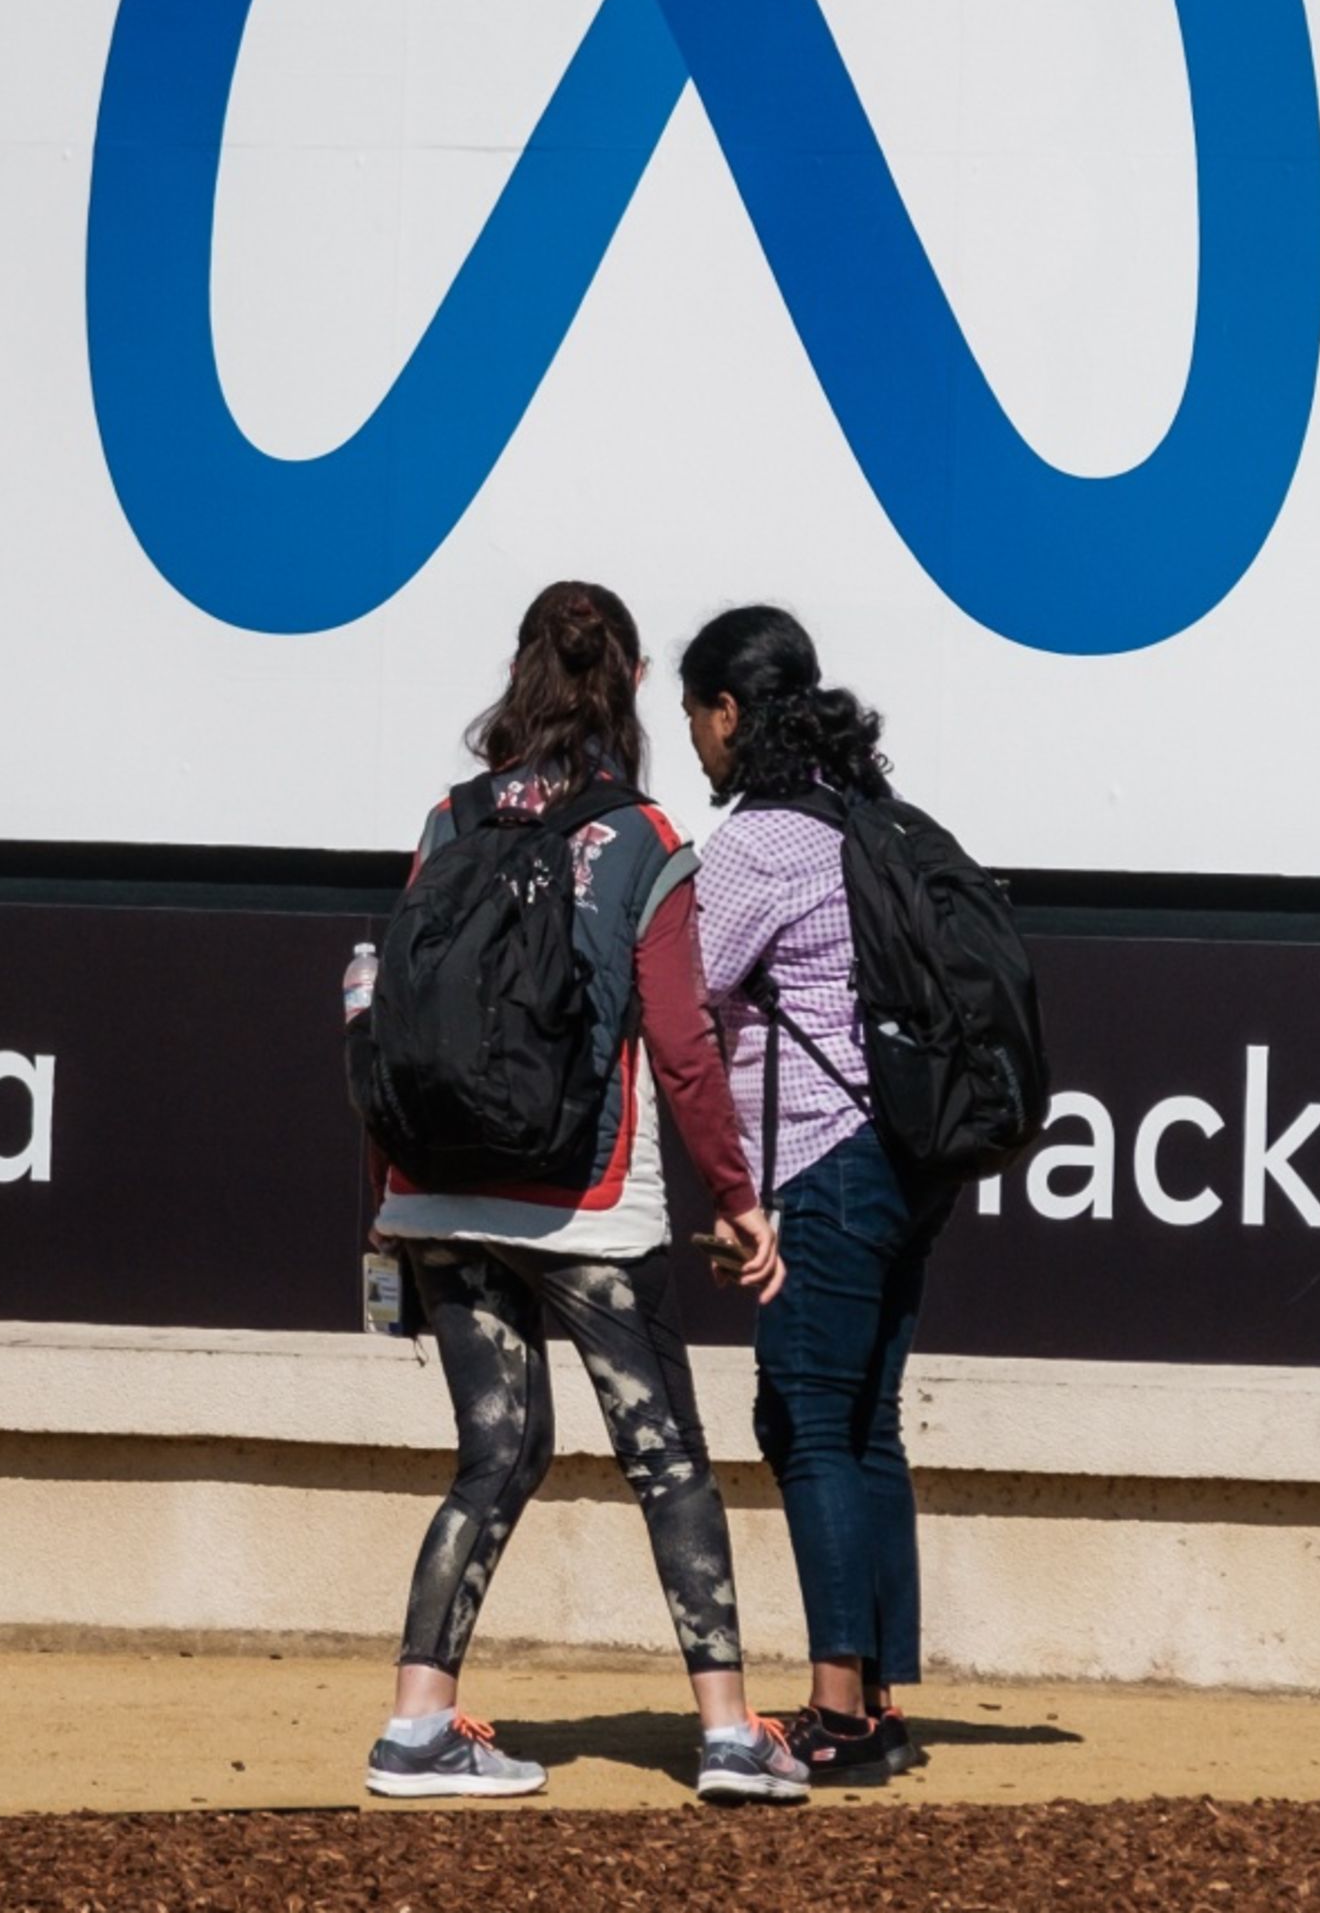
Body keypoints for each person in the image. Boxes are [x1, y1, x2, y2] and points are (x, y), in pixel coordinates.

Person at [363, 579, 806, 1807]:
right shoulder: (645, 838)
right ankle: (728, 1733)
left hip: (438, 1191)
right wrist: (738, 1195)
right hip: (588, 1199)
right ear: (624, 687)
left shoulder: (448, 822)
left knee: (494, 1452)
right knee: (664, 1455)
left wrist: (384, 1200)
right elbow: (681, 1043)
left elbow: (392, 1018)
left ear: (520, 677)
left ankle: (416, 1727)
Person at [678, 601, 942, 1787]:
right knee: (866, 1418)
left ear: (729, 711)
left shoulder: (752, 843)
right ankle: (877, 1698)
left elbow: (680, 993)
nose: (691, 739)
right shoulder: (862, 820)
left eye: (694, 714)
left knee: (803, 1418)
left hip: (822, 1161)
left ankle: (835, 1712)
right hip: (903, 1158)